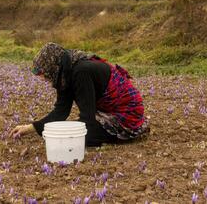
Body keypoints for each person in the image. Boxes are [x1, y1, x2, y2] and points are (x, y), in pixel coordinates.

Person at [9, 42, 149, 147]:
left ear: (53, 66)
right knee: (67, 133)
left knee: (77, 136)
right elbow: (61, 111)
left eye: (42, 73)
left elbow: (87, 116)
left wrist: (68, 134)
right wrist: (30, 128)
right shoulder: (64, 74)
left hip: (127, 112)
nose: (42, 77)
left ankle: (130, 131)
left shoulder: (81, 72)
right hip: (109, 111)